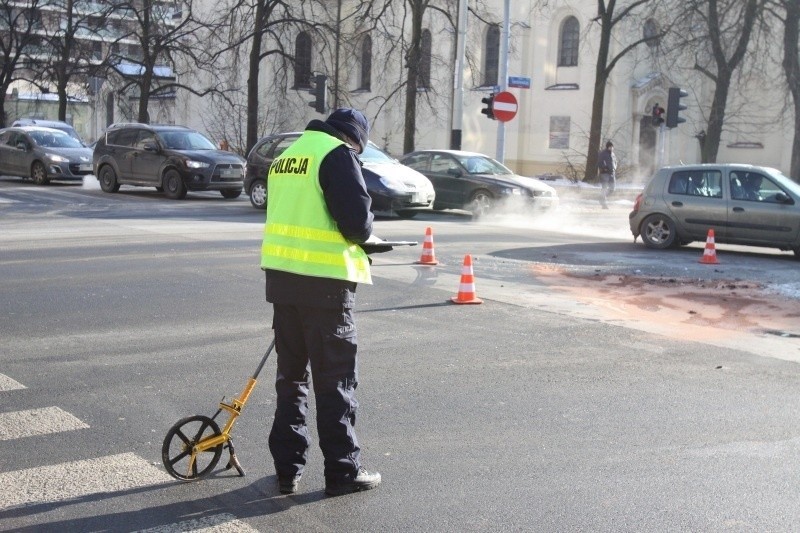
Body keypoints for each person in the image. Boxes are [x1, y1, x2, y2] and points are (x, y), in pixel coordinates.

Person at [260, 108, 382, 497]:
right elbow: (357, 225)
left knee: (291, 379)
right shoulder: (337, 156)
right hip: (325, 290)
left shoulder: (287, 157)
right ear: (354, 138)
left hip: (282, 283)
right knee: (335, 384)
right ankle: (343, 472)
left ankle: (287, 470)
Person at [597, 141, 617, 209]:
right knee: (604, 188)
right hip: (605, 173)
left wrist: (614, 168)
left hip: (612, 173)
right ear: (607, 147)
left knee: (612, 189)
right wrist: (604, 168)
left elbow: (615, 161)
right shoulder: (603, 154)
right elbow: (599, 162)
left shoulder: (613, 154)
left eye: (612, 147)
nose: (611, 148)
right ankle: (603, 204)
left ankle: (601, 197)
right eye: (610, 147)